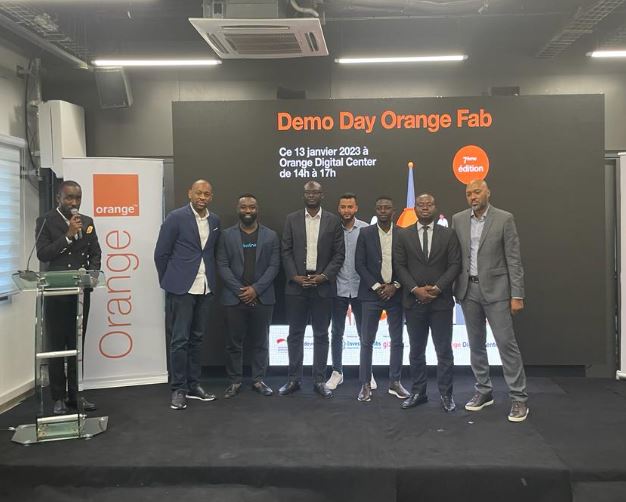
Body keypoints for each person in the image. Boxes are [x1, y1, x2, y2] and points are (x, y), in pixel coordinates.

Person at [452, 179, 529, 422]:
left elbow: (513, 259)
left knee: (506, 344)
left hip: (497, 291)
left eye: (477, 192)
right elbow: (455, 257)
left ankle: (518, 397)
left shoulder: (504, 219)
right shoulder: (458, 219)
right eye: (468, 194)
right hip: (468, 290)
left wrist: (517, 295)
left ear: (488, 193)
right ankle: (484, 391)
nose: (472, 197)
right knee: (476, 344)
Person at [36, 180, 101, 415]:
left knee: (76, 345)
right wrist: (68, 236)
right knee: (56, 344)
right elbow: (43, 253)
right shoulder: (46, 221)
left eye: (78, 198)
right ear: (59, 198)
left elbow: (95, 252)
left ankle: (75, 394)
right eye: (69, 198)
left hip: (80, 293)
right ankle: (58, 397)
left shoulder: (88, 222)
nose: (74, 203)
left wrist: (93, 274)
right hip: (56, 293)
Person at [154, 179, 220, 410]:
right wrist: (170, 280)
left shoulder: (215, 220)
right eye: (198, 193)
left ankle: (193, 385)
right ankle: (178, 389)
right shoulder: (175, 217)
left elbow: (211, 252)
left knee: (197, 339)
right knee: (179, 340)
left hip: (205, 286)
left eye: (206, 194)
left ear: (211, 197)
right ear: (189, 193)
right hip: (181, 288)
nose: (202, 197)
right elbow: (161, 254)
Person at [394, 194, 461, 411]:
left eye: (429, 204)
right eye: (420, 205)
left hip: (441, 302)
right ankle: (418, 393)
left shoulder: (448, 234)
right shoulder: (403, 235)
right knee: (416, 350)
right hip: (414, 302)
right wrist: (415, 289)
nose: (424, 208)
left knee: (444, 351)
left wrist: (438, 287)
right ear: (415, 208)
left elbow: (455, 264)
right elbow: (399, 266)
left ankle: (446, 395)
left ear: (435, 207)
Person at [279, 181, 345, 398]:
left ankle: (319, 380)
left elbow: (339, 254)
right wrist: (294, 277)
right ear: (304, 195)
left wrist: (323, 277)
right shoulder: (291, 219)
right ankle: (293, 379)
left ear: (322, 195)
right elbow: (285, 250)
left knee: (321, 334)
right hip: (296, 285)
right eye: (308, 192)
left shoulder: (333, 221)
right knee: (295, 334)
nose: (311, 196)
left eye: (315, 192)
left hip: (322, 286)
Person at [216, 194, 280, 398]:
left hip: (263, 297)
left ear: (257, 209)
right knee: (233, 343)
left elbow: (274, 266)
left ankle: (258, 380)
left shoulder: (271, 236)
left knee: (261, 342)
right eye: (244, 207)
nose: (248, 211)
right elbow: (222, 265)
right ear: (238, 209)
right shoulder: (226, 235)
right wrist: (240, 290)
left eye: (251, 207)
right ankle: (235, 381)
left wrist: (256, 289)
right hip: (233, 298)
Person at [355, 196, 409, 402]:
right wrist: (377, 287)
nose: (383, 211)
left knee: (397, 340)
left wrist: (395, 285)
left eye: (387, 208)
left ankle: (395, 382)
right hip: (371, 295)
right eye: (380, 208)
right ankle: (365, 384)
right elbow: (359, 264)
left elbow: (407, 264)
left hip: (396, 294)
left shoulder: (403, 234)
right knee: (366, 341)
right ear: (376, 211)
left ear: (394, 211)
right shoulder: (365, 233)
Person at [326, 193, 369, 391]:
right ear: (338, 209)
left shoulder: (366, 229)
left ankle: (367, 373)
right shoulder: (332, 229)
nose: (346, 210)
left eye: (350, 206)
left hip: (361, 289)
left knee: (364, 334)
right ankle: (337, 372)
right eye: (343, 207)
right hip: (338, 288)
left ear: (356, 208)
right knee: (336, 332)